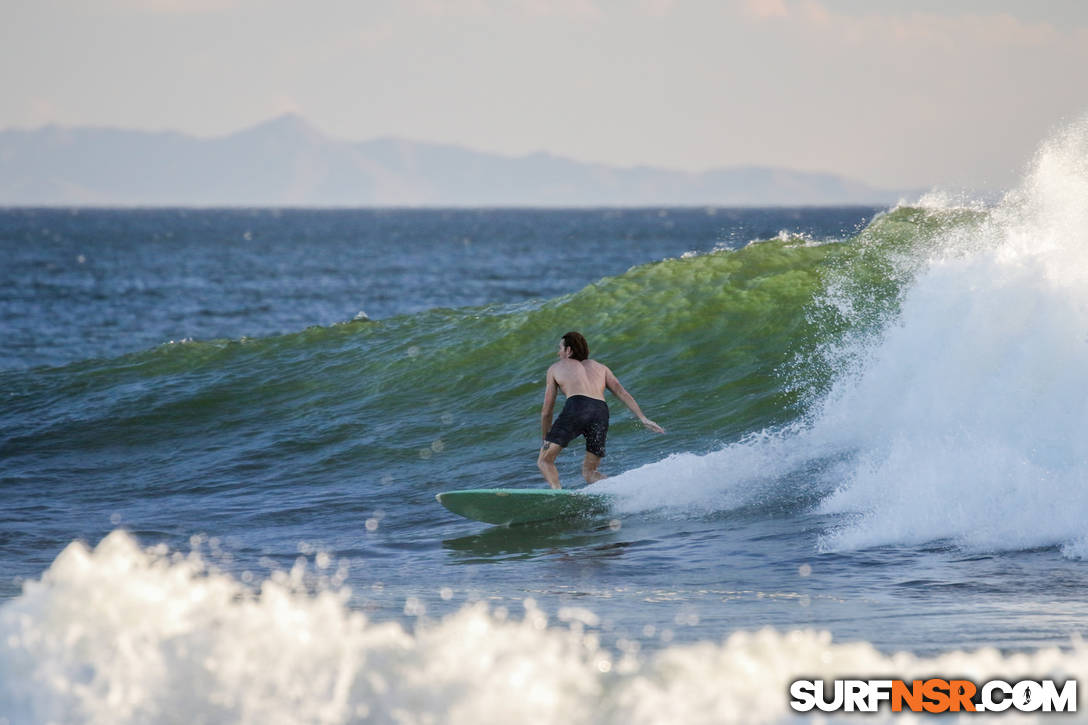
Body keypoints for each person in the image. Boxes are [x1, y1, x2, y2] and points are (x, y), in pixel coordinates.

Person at [537, 331, 664, 489]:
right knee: (590, 472)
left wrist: (545, 440)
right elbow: (621, 391)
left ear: (568, 350)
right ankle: (619, 490)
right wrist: (642, 418)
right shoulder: (601, 368)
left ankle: (558, 493)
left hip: (577, 406)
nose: (558, 352)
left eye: (560, 348)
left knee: (544, 460)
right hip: (601, 411)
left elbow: (546, 411)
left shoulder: (556, 368)